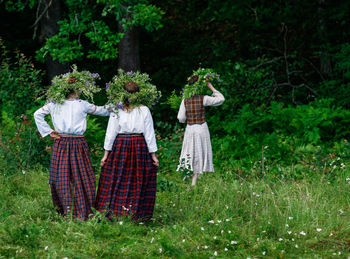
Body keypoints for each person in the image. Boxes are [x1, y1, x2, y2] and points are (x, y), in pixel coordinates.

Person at [34, 80, 109, 220]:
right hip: (76, 143)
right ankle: (80, 210)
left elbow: (37, 114)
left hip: (62, 142)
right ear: (77, 90)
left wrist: (48, 131)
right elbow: (104, 111)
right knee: (81, 176)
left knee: (62, 177)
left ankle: (67, 211)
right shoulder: (83, 104)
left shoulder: (54, 104)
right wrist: (118, 105)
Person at [95, 81, 159, 221]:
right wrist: (153, 155)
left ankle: (117, 210)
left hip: (121, 145)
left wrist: (106, 154)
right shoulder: (144, 109)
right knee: (137, 178)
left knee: (119, 177)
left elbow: (111, 132)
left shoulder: (118, 109)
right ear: (138, 94)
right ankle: (135, 212)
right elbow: (149, 133)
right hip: (138, 145)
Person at [177, 80, 225, 186]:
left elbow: (180, 118)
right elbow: (221, 99)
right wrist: (211, 87)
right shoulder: (203, 98)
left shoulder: (185, 100)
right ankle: (193, 181)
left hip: (190, 129)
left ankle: (188, 177)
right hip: (201, 128)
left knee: (189, 151)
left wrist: (186, 119)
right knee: (199, 152)